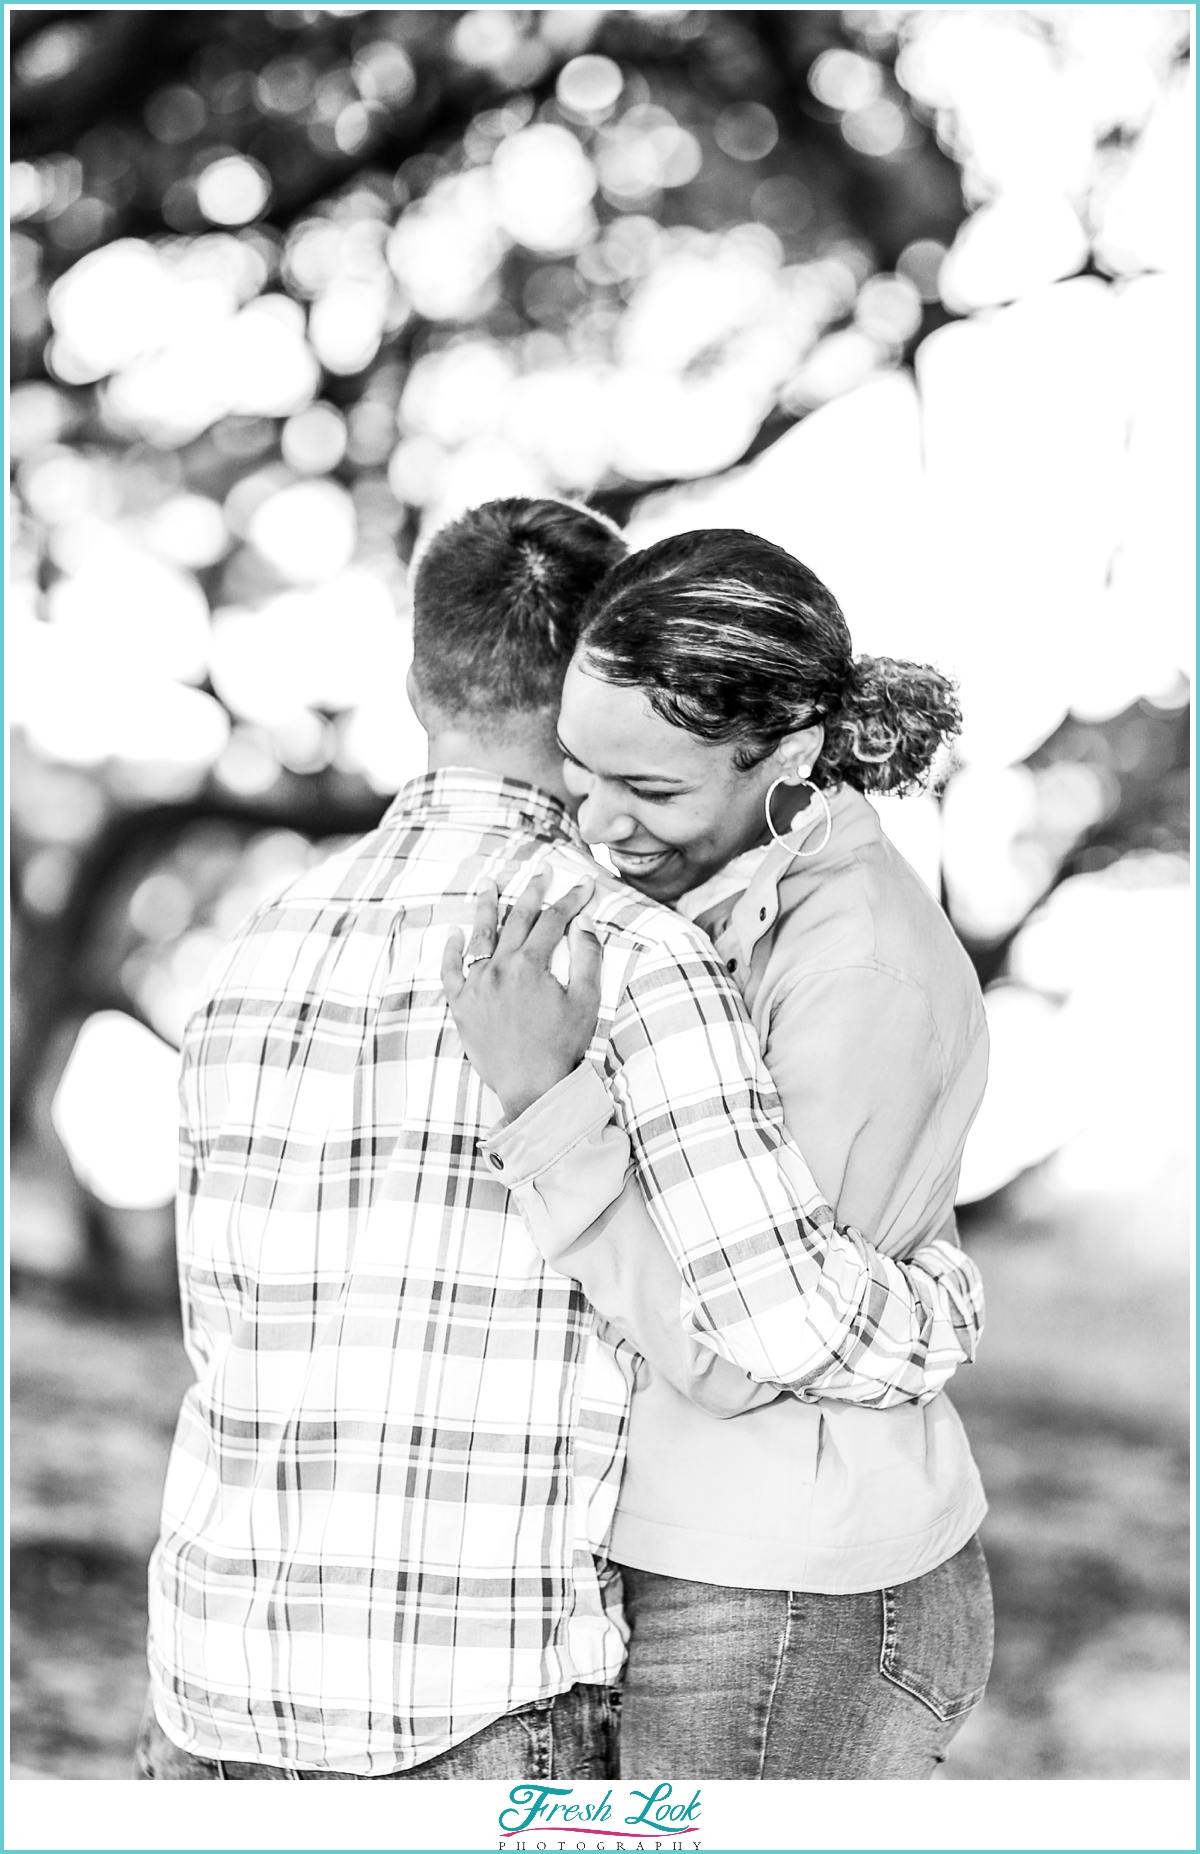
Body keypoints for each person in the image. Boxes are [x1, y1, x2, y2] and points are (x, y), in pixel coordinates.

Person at [139, 500, 984, 1781]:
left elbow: (220, 1327)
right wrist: (948, 1303)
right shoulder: (636, 955)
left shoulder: (250, 951)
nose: (616, 814)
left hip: (212, 1687)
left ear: (420, 675)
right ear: (594, 677)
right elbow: (785, 1328)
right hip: (478, 1704)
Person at [443, 526, 994, 1780]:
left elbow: (746, 1345)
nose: (600, 823)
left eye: (654, 792)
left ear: (788, 755)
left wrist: (541, 1099)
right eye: (579, 773)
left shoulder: (853, 967)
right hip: (690, 1557)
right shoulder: (714, 895)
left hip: (787, 1589)